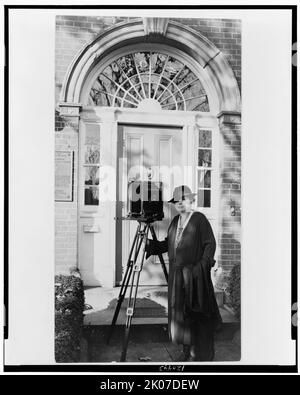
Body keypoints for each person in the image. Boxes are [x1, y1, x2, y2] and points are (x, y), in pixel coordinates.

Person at [146, 185, 222, 361]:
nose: (180, 204)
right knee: (181, 315)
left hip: (195, 277)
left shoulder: (199, 219)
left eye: (183, 200)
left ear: (191, 201)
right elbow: (168, 244)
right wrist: (151, 245)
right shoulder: (174, 222)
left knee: (196, 315)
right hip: (177, 279)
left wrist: (202, 266)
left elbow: (209, 244)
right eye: (176, 202)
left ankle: (199, 354)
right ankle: (186, 351)